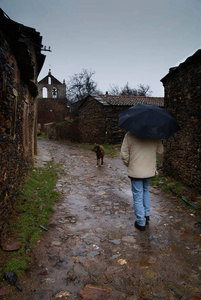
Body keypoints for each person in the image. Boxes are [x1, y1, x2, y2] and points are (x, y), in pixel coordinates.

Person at [120, 132, 164, 231]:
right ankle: (146, 215)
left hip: (136, 171)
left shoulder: (129, 135)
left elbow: (124, 155)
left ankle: (140, 222)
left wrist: (129, 164)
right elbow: (160, 151)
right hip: (149, 170)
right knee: (145, 190)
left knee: (137, 195)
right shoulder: (155, 134)